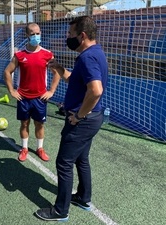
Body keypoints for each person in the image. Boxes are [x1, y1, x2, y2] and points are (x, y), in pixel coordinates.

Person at [35, 16, 108, 221]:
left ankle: (60, 210)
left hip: (83, 121)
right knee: (81, 159)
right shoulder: (94, 53)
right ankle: (83, 198)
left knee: (64, 163)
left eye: (70, 34)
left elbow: (95, 90)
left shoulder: (87, 57)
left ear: (82, 35)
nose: (68, 38)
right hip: (94, 118)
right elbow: (74, 80)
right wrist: (58, 68)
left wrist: (78, 115)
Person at [3, 22, 60, 162]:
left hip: (40, 98)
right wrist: (12, 90)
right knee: (24, 124)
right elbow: (7, 71)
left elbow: (57, 72)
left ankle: (40, 148)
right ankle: (24, 148)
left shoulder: (47, 54)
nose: (36, 36)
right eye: (32, 34)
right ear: (27, 35)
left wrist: (51, 91)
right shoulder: (19, 55)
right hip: (23, 98)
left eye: (38, 33)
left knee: (39, 124)